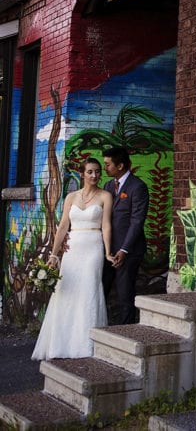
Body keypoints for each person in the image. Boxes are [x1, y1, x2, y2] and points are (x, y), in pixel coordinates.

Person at [32, 157, 115, 360]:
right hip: (73, 247)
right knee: (66, 291)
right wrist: (53, 254)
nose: (94, 175)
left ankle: (86, 344)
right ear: (82, 174)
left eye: (97, 171)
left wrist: (107, 252)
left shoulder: (106, 196)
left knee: (89, 289)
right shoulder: (71, 197)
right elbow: (62, 226)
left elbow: (106, 225)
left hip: (93, 246)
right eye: (90, 172)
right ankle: (61, 343)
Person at [102, 146, 149, 325]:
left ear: (120, 165)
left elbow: (137, 221)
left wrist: (124, 249)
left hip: (127, 252)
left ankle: (126, 331)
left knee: (125, 295)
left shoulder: (138, 187)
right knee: (102, 291)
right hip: (107, 250)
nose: (105, 168)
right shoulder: (108, 186)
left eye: (108, 164)